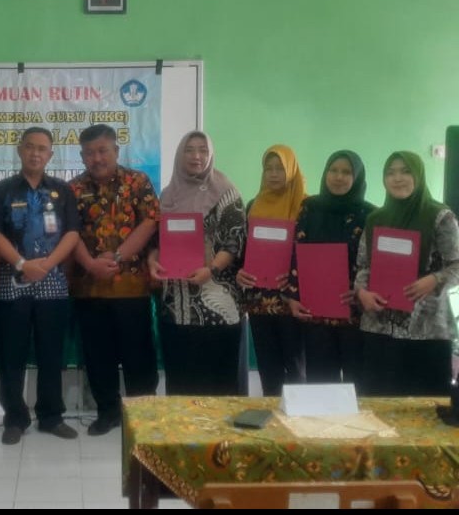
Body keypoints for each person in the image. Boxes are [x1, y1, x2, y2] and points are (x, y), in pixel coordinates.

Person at [0, 127, 81, 445]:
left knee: (51, 353)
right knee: (11, 354)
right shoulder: (3, 190)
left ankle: (51, 416)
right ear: (19, 150)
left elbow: (72, 232)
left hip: (52, 282)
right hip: (13, 282)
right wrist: (23, 264)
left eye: (42, 149)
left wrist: (47, 264)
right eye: (30, 147)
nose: (36, 153)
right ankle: (15, 418)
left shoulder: (62, 190)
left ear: (50, 155)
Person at [69, 124, 159, 436]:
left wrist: (117, 257)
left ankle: (142, 414)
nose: (97, 158)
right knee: (98, 355)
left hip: (131, 287)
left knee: (138, 354)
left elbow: (150, 222)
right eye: (90, 153)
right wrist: (91, 264)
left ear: (116, 151)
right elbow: (69, 233)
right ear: (82, 156)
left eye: (103, 151)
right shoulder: (72, 189)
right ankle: (107, 413)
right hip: (89, 287)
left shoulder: (137, 181)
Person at [147, 131, 247, 395]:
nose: (196, 156)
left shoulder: (226, 193)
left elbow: (234, 241)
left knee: (220, 386)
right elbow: (157, 240)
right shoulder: (168, 195)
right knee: (181, 383)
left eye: (203, 150)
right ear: (180, 154)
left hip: (217, 307)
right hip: (175, 306)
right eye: (189, 150)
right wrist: (152, 261)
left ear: (210, 154)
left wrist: (211, 269)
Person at [355, 151, 459, 396]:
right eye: (390, 173)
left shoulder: (440, 217)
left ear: (418, 176)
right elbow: (363, 266)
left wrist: (434, 279)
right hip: (379, 327)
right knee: (379, 400)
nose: (397, 178)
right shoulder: (376, 218)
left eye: (405, 171)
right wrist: (362, 293)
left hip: (426, 330)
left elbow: (456, 264)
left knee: (424, 406)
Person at [285, 150, 375, 385]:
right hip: (316, 315)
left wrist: (361, 292)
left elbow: (375, 263)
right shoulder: (310, 207)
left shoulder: (370, 214)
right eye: (333, 170)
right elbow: (296, 251)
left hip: (355, 314)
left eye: (346, 172)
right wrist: (293, 296)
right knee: (321, 384)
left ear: (357, 177)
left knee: (358, 385)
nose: (338, 177)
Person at [236, 144, 307, 396]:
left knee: (296, 366)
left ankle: (298, 414)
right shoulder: (253, 205)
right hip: (258, 298)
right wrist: (240, 271)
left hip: (292, 298)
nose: (274, 174)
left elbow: (311, 251)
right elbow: (243, 249)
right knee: (268, 367)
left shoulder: (306, 206)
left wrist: (296, 275)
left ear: (291, 170)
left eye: (280, 168)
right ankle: (272, 412)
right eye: (269, 168)